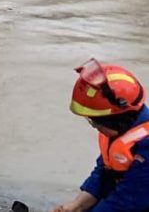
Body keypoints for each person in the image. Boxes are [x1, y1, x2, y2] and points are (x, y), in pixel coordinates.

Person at [52, 59, 149, 212]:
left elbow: (128, 199)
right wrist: (75, 206)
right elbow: (104, 173)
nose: (95, 127)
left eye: (95, 122)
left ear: (117, 120)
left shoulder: (146, 146)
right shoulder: (117, 134)